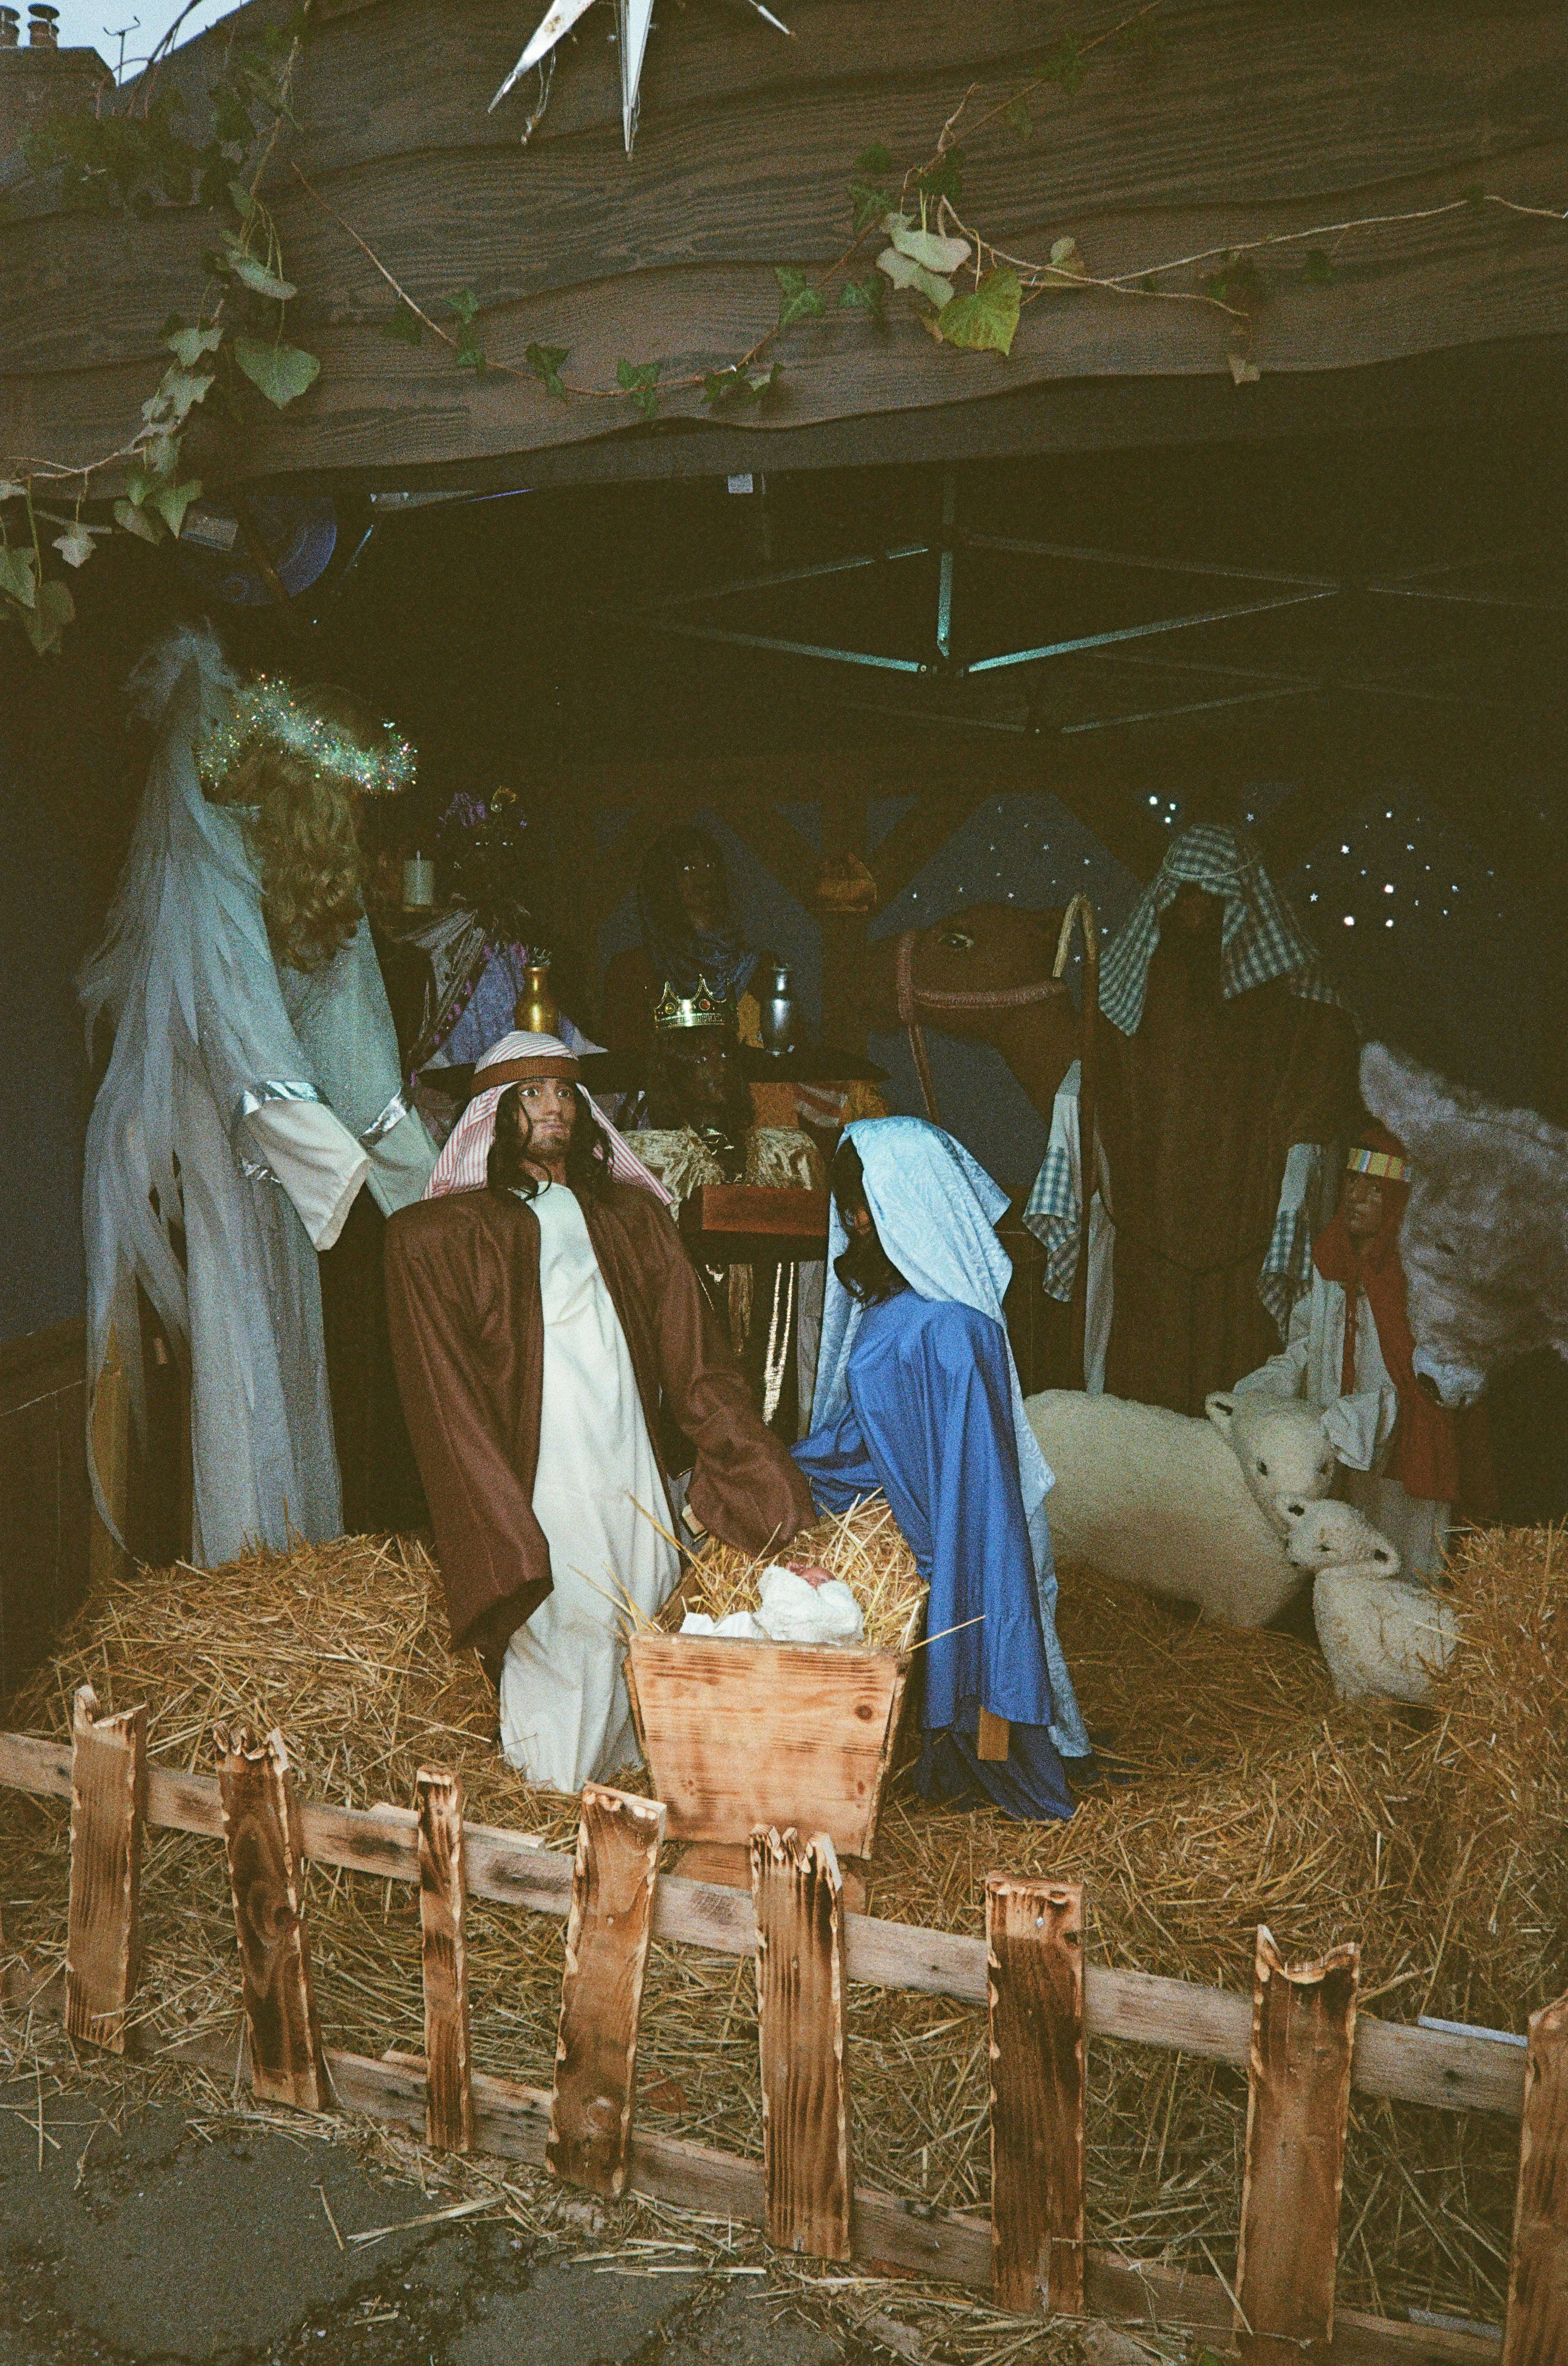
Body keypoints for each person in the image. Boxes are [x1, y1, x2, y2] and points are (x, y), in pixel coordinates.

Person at [80, 624, 436, 1565]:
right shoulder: (212, 858)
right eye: (348, 797)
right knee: (241, 1326)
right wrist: (333, 1161)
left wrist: (431, 1183)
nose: (356, 819)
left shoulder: (310, 870)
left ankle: (292, 1555)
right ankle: (243, 1559)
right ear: (310, 783)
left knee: (291, 1327)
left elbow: (352, 1040)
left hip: (272, 1125)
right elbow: (241, 1025)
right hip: (202, 1116)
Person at [384, 1033, 812, 1792]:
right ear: (492, 1115)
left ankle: (628, 1803)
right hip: (544, 1470)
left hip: (626, 1466)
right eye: (529, 1093)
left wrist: (762, 1477)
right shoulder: (456, 1236)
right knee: (567, 1625)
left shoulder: (632, 1221)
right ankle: (546, 1805)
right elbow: (448, 1401)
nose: (551, 1106)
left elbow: (698, 1366)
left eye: (562, 1092)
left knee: (639, 1616)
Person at [791, 1119, 1094, 1821]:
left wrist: (961, 1576)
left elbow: (975, 1493)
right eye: (846, 1206)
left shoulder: (949, 1331)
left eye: (862, 1204)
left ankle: (1012, 1750)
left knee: (1013, 1658)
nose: (852, 1220)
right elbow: (870, 1444)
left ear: (906, 1204)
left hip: (977, 1545)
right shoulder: (901, 1314)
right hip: (942, 1540)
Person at [1082, 823, 1361, 1415]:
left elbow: (1328, 1068)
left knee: (1239, 1382)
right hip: (1153, 1223)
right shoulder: (1138, 978)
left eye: (1210, 897)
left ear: (1241, 903)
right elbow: (1101, 1064)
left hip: (1245, 1222)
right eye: (1182, 894)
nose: (1194, 911)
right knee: (1148, 1390)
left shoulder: (1295, 991)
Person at [1233, 1123, 1493, 1578]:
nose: (1355, 1197)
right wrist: (1269, 1386)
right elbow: (1307, 1342)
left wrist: (1367, 1418)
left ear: (1398, 1200)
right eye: (1352, 1182)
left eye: (1374, 1190)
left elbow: (1442, 1387)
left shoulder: (1423, 1278)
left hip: (1400, 1462)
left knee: (1398, 1567)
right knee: (1339, 1565)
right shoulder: (1332, 1258)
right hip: (1339, 1449)